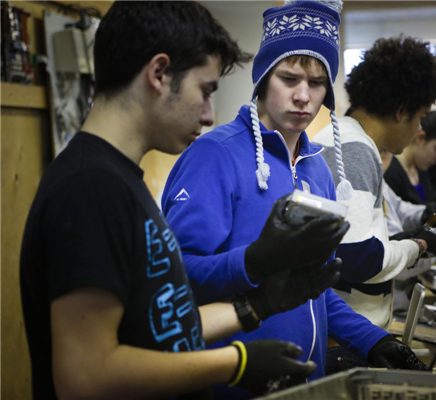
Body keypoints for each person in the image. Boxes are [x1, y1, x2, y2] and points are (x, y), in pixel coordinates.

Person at [19, 2, 343, 399]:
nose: (209, 115)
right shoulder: (91, 188)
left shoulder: (119, 182)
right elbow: (84, 377)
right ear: (158, 74)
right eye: (205, 91)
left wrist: (255, 306)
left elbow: (155, 324)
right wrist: (234, 364)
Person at [162, 2, 428, 398]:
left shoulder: (318, 170)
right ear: (264, 78)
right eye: (289, 79)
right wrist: (253, 262)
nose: (304, 96)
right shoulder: (214, 156)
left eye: (318, 82)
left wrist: (373, 340)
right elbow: (175, 279)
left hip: (308, 386)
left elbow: (313, 289)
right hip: (230, 383)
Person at [311, 36, 436, 331]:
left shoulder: (350, 141)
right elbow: (358, 259)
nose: (418, 129)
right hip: (348, 334)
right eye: (420, 118)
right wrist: (419, 244)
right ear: (401, 111)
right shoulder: (354, 150)